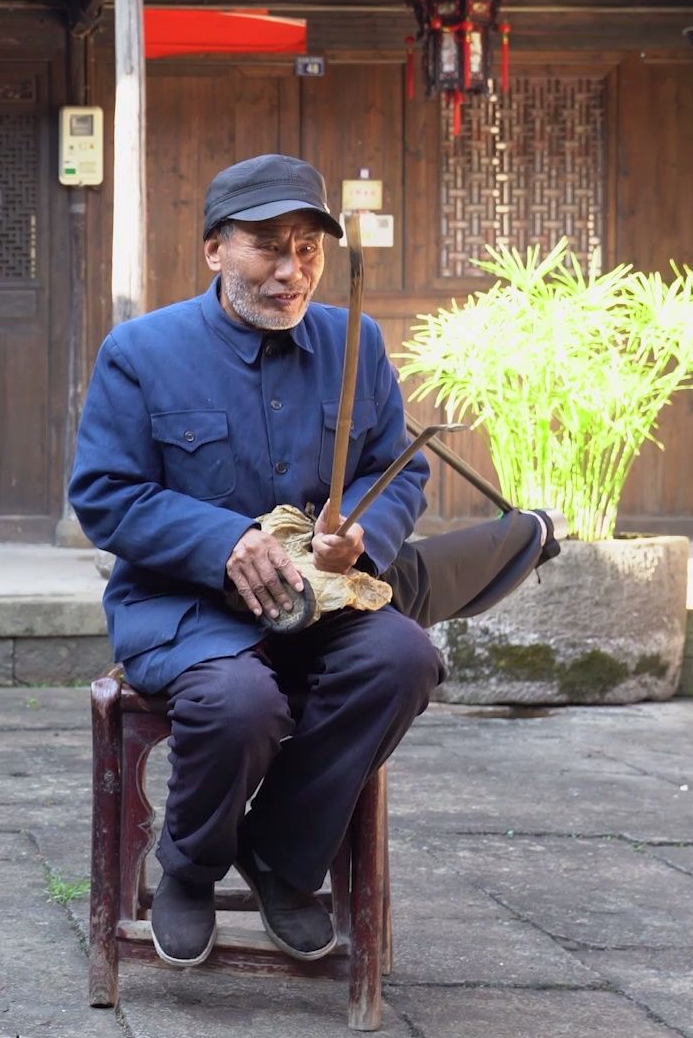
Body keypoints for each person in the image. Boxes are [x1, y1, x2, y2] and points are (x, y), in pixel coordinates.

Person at [69, 154, 452, 968]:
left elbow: (398, 468)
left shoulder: (356, 341)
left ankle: (280, 857)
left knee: (405, 658)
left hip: (321, 601)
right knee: (241, 703)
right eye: (267, 247)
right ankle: (192, 865)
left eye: (308, 250)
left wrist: (361, 535)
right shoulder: (141, 351)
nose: (292, 272)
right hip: (188, 606)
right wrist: (222, 542)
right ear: (215, 249)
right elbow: (104, 494)